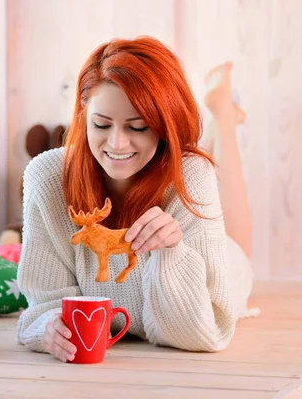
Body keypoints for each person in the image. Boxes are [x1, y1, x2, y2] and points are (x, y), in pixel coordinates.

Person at [15, 36, 256, 363]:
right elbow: (42, 305)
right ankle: (217, 123)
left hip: (213, 264)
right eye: (101, 124)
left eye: (138, 127)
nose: (117, 142)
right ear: (84, 114)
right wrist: (48, 327)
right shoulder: (47, 176)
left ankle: (224, 118)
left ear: (162, 125)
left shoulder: (191, 174)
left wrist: (170, 254)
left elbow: (201, 333)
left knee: (237, 245)